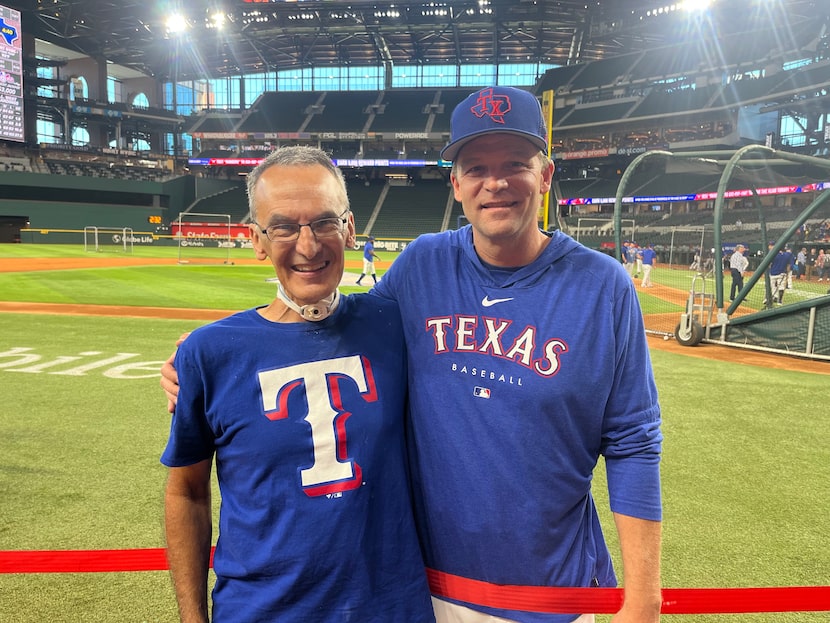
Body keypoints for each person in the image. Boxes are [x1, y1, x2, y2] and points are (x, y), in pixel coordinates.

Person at [163, 87, 663, 623]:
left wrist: (644, 595)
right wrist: (206, 357)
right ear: (456, 184)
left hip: (555, 595)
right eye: (475, 167)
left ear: (544, 176)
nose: (495, 182)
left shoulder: (603, 285)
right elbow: (326, 312)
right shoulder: (422, 265)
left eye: (515, 163)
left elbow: (633, 439)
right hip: (428, 593)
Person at [160, 145, 434, 623]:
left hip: (391, 609)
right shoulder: (210, 352)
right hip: (260, 612)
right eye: (284, 226)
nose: (307, 245)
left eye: (324, 222)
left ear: (349, 228)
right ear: (257, 239)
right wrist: (191, 618)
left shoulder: (396, 324)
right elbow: (187, 492)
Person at [766, 241, 793, 306]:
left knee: (772, 286)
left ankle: (773, 297)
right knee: (781, 287)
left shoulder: (773, 254)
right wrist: (787, 272)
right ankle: (779, 301)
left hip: (773, 273)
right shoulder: (787, 254)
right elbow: (789, 265)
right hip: (782, 273)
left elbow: (769, 264)